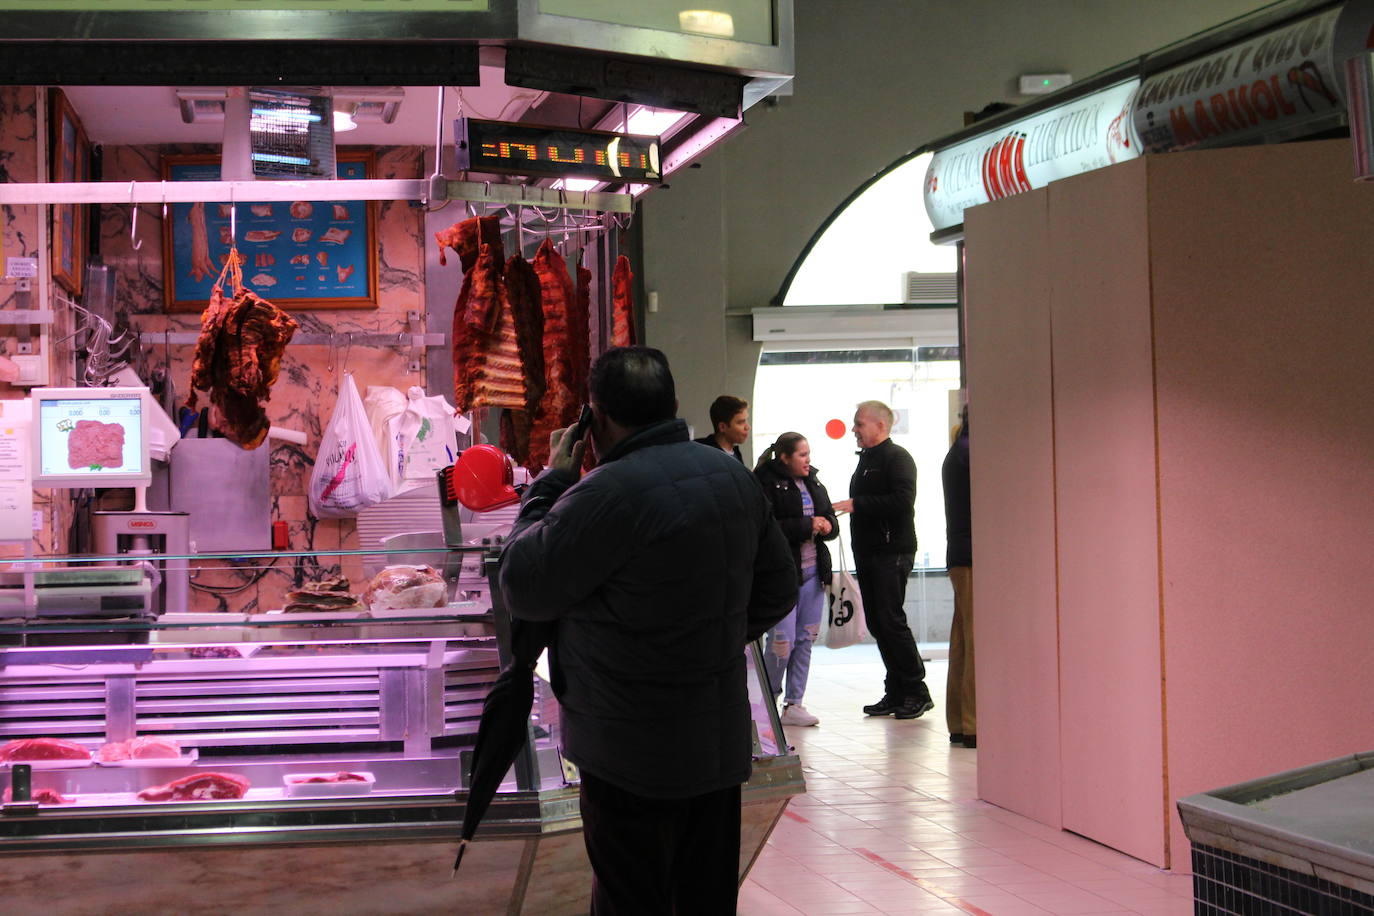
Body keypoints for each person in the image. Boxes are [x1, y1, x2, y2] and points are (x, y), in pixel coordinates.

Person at [498, 347, 798, 916]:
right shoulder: (732, 480)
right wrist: (706, 636)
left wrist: (546, 487)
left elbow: (524, 586)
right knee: (704, 897)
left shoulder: (599, 495)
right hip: (715, 741)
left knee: (632, 898)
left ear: (596, 418)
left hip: (626, 745)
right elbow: (778, 591)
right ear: (675, 406)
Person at [832, 400, 934, 719]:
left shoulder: (897, 457)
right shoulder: (867, 460)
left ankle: (917, 690)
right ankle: (896, 689)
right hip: (869, 551)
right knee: (878, 622)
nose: (854, 430)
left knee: (890, 619)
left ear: (880, 426)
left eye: (859, 424)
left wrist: (858, 504)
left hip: (892, 551)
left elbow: (903, 501)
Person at [754, 432, 839, 728]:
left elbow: (830, 518)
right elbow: (766, 528)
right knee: (782, 641)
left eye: (808, 454)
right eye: (802, 455)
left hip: (814, 573)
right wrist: (806, 525)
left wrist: (827, 524)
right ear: (785, 457)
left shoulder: (814, 482)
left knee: (806, 638)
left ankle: (795, 703)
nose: (808, 460)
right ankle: (767, 699)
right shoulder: (765, 483)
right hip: (783, 575)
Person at [943, 405, 975, 748]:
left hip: (961, 555)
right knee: (974, 641)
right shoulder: (971, 455)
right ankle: (974, 722)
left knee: (963, 641)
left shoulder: (959, 452)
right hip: (972, 555)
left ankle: (962, 720)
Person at [694, 394, 749, 462]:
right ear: (722, 427)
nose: (748, 427)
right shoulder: (705, 456)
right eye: (740, 422)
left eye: (746, 421)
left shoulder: (736, 453)